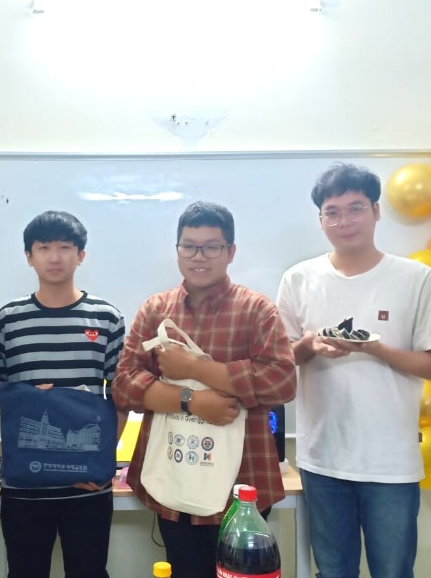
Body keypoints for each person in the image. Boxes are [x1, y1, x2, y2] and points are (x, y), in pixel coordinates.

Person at [275, 163, 431, 577]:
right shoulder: (299, 278)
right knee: (333, 571)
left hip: (391, 461)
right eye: (332, 212)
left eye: (355, 208)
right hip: (322, 459)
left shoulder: (415, 278)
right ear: (320, 220)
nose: (344, 221)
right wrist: (309, 346)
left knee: (393, 571)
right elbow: (279, 363)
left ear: (376, 211)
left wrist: (377, 350)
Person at [114, 201, 297, 577]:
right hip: (173, 471)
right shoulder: (156, 309)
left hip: (243, 480)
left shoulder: (256, 310)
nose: (199, 256)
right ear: (177, 250)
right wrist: (191, 400)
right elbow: (124, 385)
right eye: (189, 246)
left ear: (231, 251)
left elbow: (282, 381)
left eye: (212, 247)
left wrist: (195, 368)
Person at [0, 210, 126, 578]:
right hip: (24, 485)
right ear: (29, 256)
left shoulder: (106, 318)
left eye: (65, 247)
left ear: (81, 255)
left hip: (87, 485)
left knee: (89, 572)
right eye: (44, 248)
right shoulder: (8, 320)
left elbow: (121, 398)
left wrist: (103, 463)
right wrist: (30, 397)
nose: (55, 257)